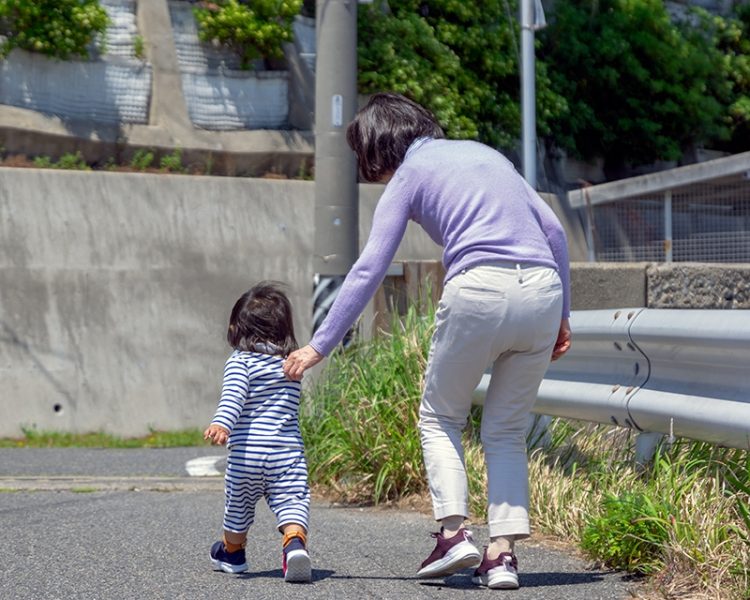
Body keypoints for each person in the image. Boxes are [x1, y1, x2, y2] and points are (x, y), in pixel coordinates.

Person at [283, 92, 571, 590]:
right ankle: (501, 557)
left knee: (440, 416)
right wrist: (563, 314)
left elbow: (370, 267)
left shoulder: (412, 172)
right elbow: (555, 230)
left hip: (478, 288)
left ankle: (454, 534)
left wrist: (319, 344)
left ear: (379, 146)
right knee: (504, 430)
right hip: (543, 290)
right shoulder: (488, 154)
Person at [205, 282, 312, 583]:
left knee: (237, 505)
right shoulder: (291, 365)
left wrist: (222, 424)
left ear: (238, 327)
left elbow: (233, 397)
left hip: (247, 455)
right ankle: (293, 544)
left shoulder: (240, 362)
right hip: (285, 453)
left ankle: (233, 553)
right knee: (293, 501)